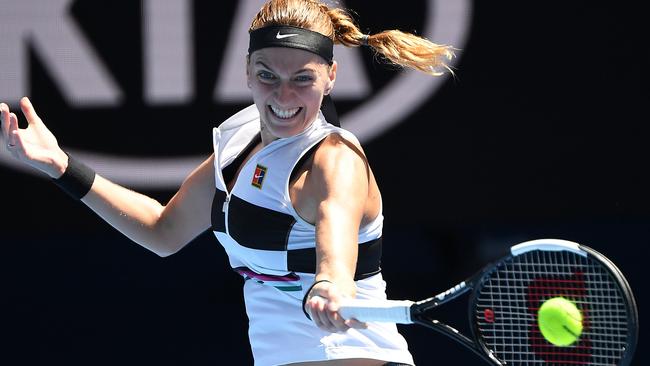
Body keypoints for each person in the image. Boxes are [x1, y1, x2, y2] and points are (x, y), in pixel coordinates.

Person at [1, 0, 453, 365]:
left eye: (302, 80)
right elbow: (164, 230)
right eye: (267, 76)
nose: (283, 96)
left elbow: (335, 256)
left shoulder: (335, 162)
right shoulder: (239, 140)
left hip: (346, 356)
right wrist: (61, 166)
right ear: (247, 70)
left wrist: (329, 286)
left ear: (331, 77)